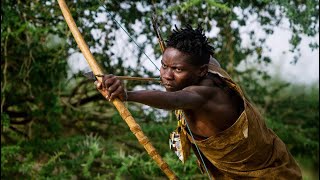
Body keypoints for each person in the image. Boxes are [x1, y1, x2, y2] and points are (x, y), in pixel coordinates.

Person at [95, 24, 302, 179]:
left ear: (202, 70)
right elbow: (185, 65)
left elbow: (175, 99)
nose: (166, 75)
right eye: (163, 65)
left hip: (268, 174)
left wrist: (127, 94)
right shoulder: (206, 64)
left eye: (177, 69)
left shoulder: (206, 93)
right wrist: (175, 62)